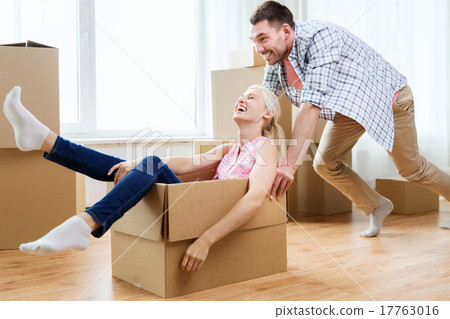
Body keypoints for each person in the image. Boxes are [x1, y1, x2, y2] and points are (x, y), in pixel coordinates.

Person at [3, 84, 284, 272]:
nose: (241, 99)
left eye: (251, 97)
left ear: (267, 113)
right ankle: (45, 141)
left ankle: (84, 217)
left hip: (203, 220)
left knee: (150, 164)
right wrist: (133, 163)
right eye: (241, 95)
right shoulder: (227, 149)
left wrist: (205, 240)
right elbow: (181, 164)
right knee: (141, 166)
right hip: (193, 208)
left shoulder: (266, 147)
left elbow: (254, 200)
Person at [249, 1, 450, 237]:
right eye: (254, 41)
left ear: (285, 31)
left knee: (411, 169)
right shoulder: (277, 57)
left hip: (389, 100)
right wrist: (249, 145)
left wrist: (289, 166)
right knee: (325, 163)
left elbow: (311, 106)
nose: (258, 48)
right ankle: (377, 205)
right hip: (352, 108)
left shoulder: (321, 36)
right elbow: (266, 99)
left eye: (263, 38)